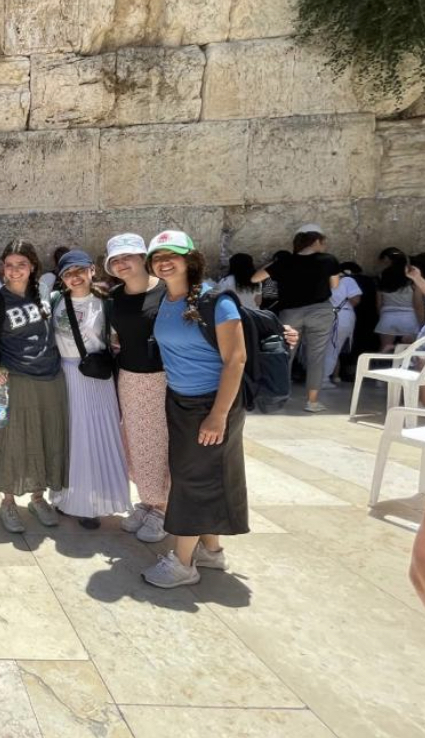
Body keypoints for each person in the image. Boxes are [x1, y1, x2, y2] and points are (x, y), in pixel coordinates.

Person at [141, 230, 248, 589]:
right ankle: (211, 551)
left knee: (189, 481)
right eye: (157, 257)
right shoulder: (165, 299)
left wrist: (218, 414)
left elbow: (236, 359)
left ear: (190, 260)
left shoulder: (216, 301)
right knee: (206, 477)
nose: (164, 262)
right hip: (180, 400)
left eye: (172, 254)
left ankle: (183, 563)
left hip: (212, 402)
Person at [0, 240, 68, 533]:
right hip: (16, 378)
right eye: (9, 264)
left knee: (47, 438)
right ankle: (7, 502)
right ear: (2, 267)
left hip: (51, 376)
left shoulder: (44, 293)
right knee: (14, 441)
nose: (15, 271)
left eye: (22, 265)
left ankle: (39, 497)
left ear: (32, 267)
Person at [51, 250, 130, 528]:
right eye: (68, 273)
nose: (75, 277)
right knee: (71, 439)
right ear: (61, 278)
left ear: (91, 270)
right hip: (65, 374)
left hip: (97, 376)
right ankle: (65, 497)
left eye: (79, 271)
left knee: (95, 438)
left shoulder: (105, 302)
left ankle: (92, 503)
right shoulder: (55, 301)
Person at [104, 234, 171, 542]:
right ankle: (147, 499)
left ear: (143, 257)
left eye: (127, 257)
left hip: (161, 378)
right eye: (115, 260)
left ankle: (162, 507)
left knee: (159, 443)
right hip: (129, 377)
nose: (121, 264)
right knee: (134, 442)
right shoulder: (115, 296)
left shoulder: (167, 291)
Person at [251, 224, 339, 412]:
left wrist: (275, 264)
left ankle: (280, 396)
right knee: (316, 356)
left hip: (291, 312)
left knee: (285, 355)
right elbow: (335, 284)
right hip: (320, 311)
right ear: (316, 241)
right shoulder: (328, 260)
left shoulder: (285, 262)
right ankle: (312, 401)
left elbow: (255, 278)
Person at [374, 247, 422, 352]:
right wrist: (422, 323)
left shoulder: (381, 277)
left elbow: (379, 304)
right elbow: (418, 305)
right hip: (409, 318)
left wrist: (381, 316)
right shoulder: (412, 278)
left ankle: (380, 367)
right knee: (409, 351)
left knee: (384, 349)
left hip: (387, 316)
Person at [323, 266, 362, 386]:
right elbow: (355, 300)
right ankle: (323, 379)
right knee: (333, 349)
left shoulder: (320, 279)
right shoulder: (347, 280)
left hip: (321, 315)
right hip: (342, 315)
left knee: (319, 348)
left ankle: (315, 377)